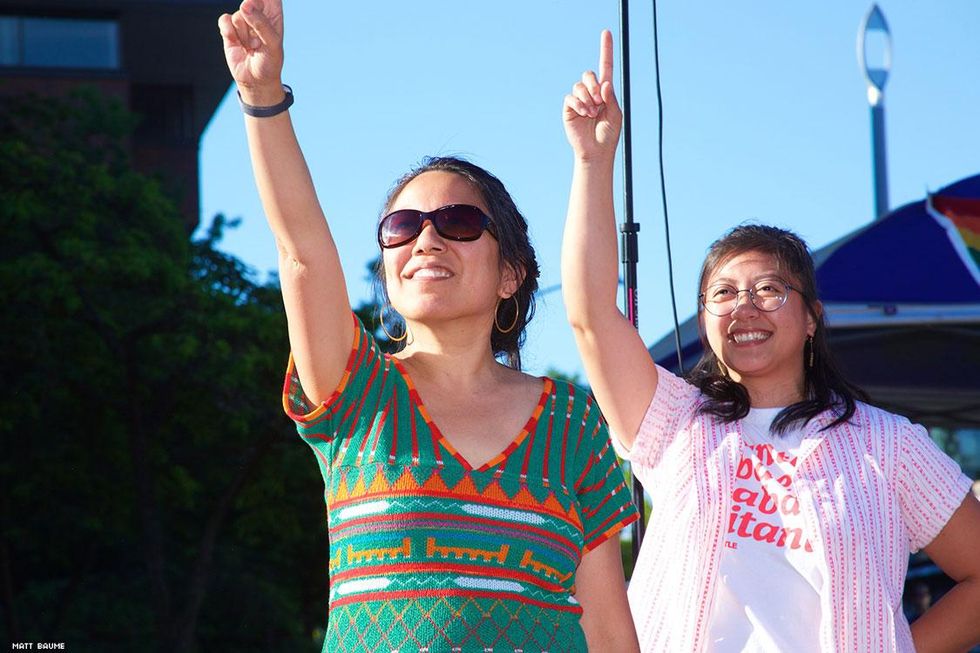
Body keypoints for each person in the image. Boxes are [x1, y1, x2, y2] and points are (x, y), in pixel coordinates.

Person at [218, 2, 640, 651]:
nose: (427, 239)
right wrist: (262, 96)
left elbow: (609, 629)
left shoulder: (574, 424)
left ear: (511, 274)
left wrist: (594, 162)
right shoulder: (354, 388)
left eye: (460, 223)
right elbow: (301, 251)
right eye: (402, 227)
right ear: (387, 268)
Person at [561, 30, 980, 653]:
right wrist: (594, 162)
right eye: (723, 294)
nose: (744, 307)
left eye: (767, 289)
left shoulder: (889, 444)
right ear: (704, 321)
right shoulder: (672, 421)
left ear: (811, 317)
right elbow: (593, 313)